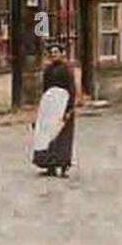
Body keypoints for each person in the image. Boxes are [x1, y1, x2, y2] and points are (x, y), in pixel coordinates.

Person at [33, 45, 78, 177]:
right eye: (51, 53)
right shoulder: (48, 70)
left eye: (56, 52)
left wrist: (69, 109)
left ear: (62, 54)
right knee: (48, 135)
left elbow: (72, 89)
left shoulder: (67, 70)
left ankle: (63, 165)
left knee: (63, 135)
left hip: (63, 104)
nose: (54, 55)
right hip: (50, 106)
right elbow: (45, 90)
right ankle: (50, 166)